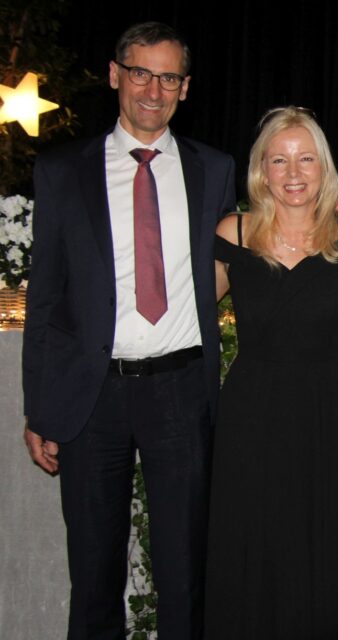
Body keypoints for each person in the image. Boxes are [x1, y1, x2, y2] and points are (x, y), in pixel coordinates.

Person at [21, 22, 235, 639]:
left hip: (180, 390)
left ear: (184, 88)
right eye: (140, 72)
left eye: (168, 77)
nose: (153, 89)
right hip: (92, 397)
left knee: (185, 572)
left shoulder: (212, 170)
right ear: (115, 75)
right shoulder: (63, 171)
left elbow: (259, 240)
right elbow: (46, 297)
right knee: (92, 575)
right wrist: (41, 408)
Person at [203, 106, 338, 638]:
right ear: (262, 170)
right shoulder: (235, 231)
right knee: (251, 540)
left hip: (327, 413)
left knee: (321, 542)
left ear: (324, 167)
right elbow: (188, 316)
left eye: (305, 159)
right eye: (279, 160)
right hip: (251, 412)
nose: (293, 173)